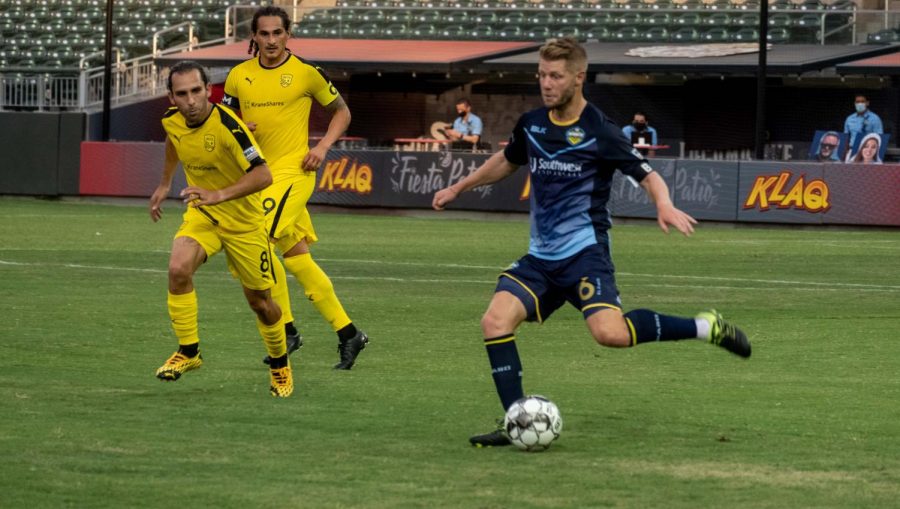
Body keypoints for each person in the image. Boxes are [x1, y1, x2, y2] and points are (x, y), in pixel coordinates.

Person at [431, 38, 751, 448]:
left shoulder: (601, 131)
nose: (546, 83)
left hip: (585, 254)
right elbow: (507, 161)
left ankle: (706, 327)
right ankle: (516, 421)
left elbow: (647, 174)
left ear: (579, 78)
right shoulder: (532, 124)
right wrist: (459, 187)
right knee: (494, 322)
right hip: (541, 259)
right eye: (542, 75)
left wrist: (664, 204)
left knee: (610, 335)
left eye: (555, 76)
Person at [222, 5, 368, 370]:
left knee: (257, 240)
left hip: (293, 172)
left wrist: (321, 148)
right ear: (253, 37)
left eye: (277, 33)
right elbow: (224, 122)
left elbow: (342, 112)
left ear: (288, 34)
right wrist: (240, 128)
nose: (271, 40)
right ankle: (349, 333)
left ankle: (286, 329)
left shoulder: (305, 73)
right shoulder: (238, 76)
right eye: (264, 34)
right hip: (259, 178)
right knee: (298, 259)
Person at [150, 60, 293, 397]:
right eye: (182, 94)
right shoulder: (172, 121)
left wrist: (219, 194)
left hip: (244, 224)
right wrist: (164, 183)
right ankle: (189, 352)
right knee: (177, 269)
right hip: (204, 216)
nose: (191, 101)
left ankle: (280, 364)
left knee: (260, 303)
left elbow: (263, 175)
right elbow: (174, 142)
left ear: (208, 91)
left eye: (196, 91)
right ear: (172, 97)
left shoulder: (229, 125)